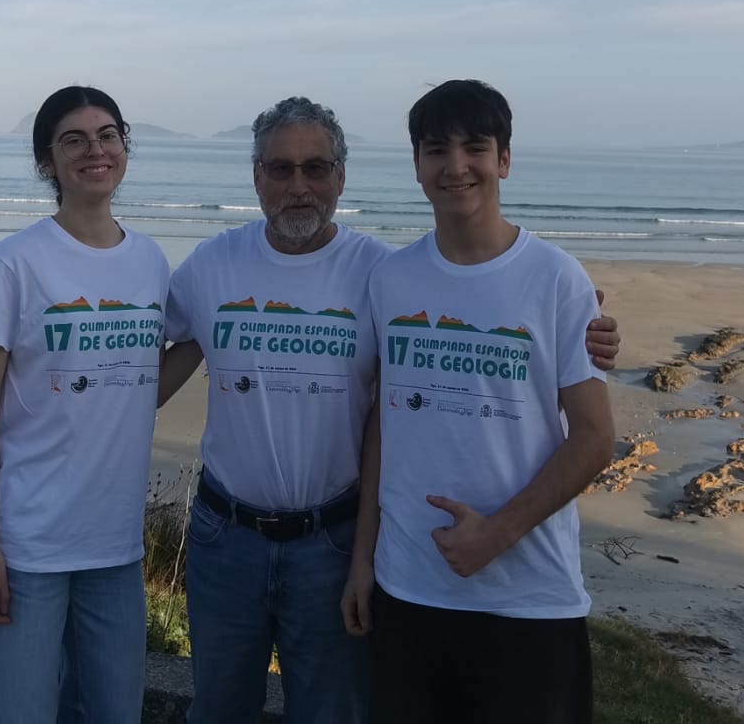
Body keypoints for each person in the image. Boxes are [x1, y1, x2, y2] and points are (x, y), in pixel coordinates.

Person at [158, 96, 621, 723]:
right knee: (217, 709)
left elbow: (480, 309)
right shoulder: (212, 265)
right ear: (257, 176)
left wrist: (585, 327)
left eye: (317, 168)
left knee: (332, 712)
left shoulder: (379, 270)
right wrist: (20, 333)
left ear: (342, 177)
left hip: (333, 539)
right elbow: (138, 337)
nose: (300, 186)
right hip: (226, 538)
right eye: (282, 169)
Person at [342, 79, 616, 724]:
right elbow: (388, 418)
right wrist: (363, 560)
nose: (456, 166)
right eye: (436, 150)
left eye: (475, 147)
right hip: (407, 588)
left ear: (505, 159)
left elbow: (594, 439)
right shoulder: (391, 278)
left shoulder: (556, 279)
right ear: (416, 165)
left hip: (526, 599)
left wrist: (497, 534)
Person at [0, 86, 170, 723]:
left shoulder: (151, 261)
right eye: (73, 140)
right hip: (27, 548)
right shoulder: (16, 262)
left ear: (125, 148)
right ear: (48, 161)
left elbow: (141, 381)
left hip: (115, 549)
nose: (94, 150)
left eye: (108, 135)